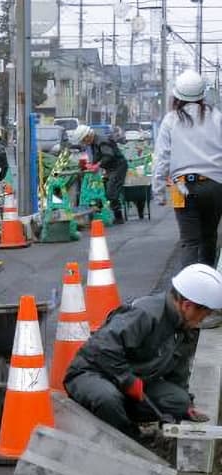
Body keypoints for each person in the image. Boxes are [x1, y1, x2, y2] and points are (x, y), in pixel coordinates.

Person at [64, 263, 220, 441]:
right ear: (187, 305)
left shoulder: (183, 326)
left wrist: (187, 404)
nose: (204, 319)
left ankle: (119, 416)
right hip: (92, 373)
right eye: (204, 314)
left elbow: (179, 371)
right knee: (107, 399)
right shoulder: (145, 314)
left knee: (178, 402)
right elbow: (101, 348)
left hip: (132, 381)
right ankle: (128, 441)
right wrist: (127, 380)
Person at [151, 70, 222, 270]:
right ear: (202, 94)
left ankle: (187, 294)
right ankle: (208, 289)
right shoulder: (217, 117)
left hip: (183, 187)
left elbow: (161, 158)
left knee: (190, 241)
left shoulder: (171, 120)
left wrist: (158, 192)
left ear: (177, 95)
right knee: (209, 238)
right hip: (216, 186)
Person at [69, 123, 128, 224]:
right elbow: (97, 157)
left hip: (118, 167)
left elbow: (108, 155)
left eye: (84, 140)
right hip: (110, 168)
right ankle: (98, 213)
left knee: (111, 190)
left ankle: (119, 217)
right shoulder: (93, 144)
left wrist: (98, 165)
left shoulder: (102, 141)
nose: (84, 143)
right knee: (103, 189)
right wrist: (91, 165)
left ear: (88, 136)